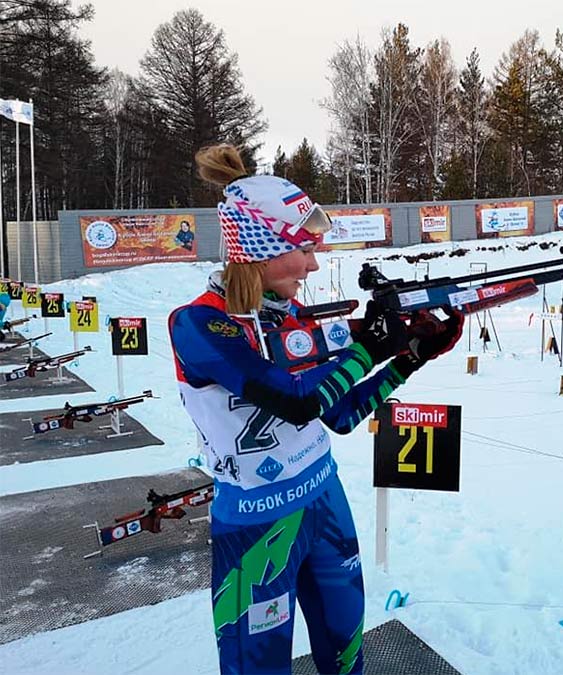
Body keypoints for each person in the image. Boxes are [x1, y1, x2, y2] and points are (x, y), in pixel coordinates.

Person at [168, 143, 463, 675]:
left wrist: (408, 358)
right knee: (258, 668)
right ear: (259, 246)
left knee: (347, 649)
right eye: (302, 249)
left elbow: (339, 414)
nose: (313, 262)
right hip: (256, 522)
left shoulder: (292, 314)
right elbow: (296, 401)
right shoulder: (198, 325)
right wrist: (367, 349)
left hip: (323, 497)